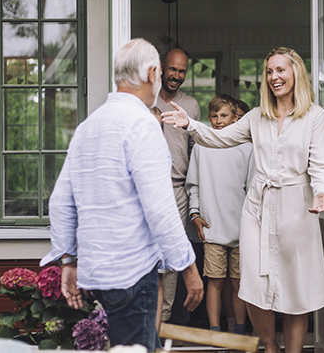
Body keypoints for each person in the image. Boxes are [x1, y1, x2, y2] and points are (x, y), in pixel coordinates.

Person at [162, 47, 324, 353]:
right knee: (252, 286)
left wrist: (321, 190)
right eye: (269, 72)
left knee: (297, 288)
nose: (274, 77)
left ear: (296, 73)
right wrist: (190, 124)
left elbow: (320, 163)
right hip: (257, 209)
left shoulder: (315, 117)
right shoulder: (257, 116)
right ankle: (269, 346)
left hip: (298, 207)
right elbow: (219, 138)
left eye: (280, 70)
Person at [40, 38, 203, 352]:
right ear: (153, 73)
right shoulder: (143, 126)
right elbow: (159, 207)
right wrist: (189, 268)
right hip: (132, 273)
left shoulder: (89, 127)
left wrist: (69, 261)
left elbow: (60, 202)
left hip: (97, 274)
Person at [185, 94, 255, 335]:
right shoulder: (202, 147)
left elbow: (253, 189)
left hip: (241, 228)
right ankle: (215, 332)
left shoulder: (247, 148)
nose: (218, 121)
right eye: (214, 116)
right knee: (214, 282)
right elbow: (193, 185)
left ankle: (239, 330)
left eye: (224, 115)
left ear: (236, 117)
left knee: (238, 283)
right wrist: (194, 214)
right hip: (212, 227)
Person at [156, 48, 202, 325]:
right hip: (147, 188)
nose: (176, 76)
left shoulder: (191, 105)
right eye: (172, 69)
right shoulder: (146, 98)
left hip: (177, 189)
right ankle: (148, 321)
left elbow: (196, 149)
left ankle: (165, 320)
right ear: (161, 67)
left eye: (181, 71)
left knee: (173, 257)